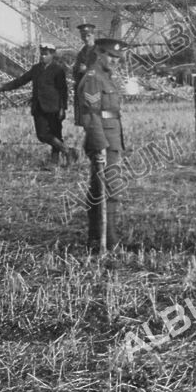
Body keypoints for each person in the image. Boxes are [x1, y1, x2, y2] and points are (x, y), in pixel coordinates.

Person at [77, 36, 128, 251]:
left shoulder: (106, 77)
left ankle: (96, 238)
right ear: (99, 53)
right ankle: (110, 241)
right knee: (110, 188)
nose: (115, 61)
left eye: (118, 58)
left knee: (99, 189)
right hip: (103, 140)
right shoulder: (93, 77)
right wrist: (100, 144)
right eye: (112, 56)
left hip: (111, 137)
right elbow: (91, 113)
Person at [0, 43, 70, 167]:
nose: (43, 56)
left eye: (46, 54)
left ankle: (54, 162)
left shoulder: (58, 70)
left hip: (54, 107)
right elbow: (21, 80)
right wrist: (3, 87)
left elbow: (63, 91)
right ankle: (67, 151)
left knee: (56, 134)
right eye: (42, 54)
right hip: (38, 107)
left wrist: (62, 108)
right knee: (42, 135)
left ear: (52, 55)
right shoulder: (36, 69)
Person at [72, 22, 97, 123]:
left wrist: (87, 70)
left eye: (88, 35)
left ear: (93, 35)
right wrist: (76, 70)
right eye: (83, 36)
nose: (86, 38)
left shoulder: (99, 51)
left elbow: (102, 69)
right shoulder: (81, 52)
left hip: (95, 88)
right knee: (85, 120)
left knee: (95, 118)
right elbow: (77, 69)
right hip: (83, 88)